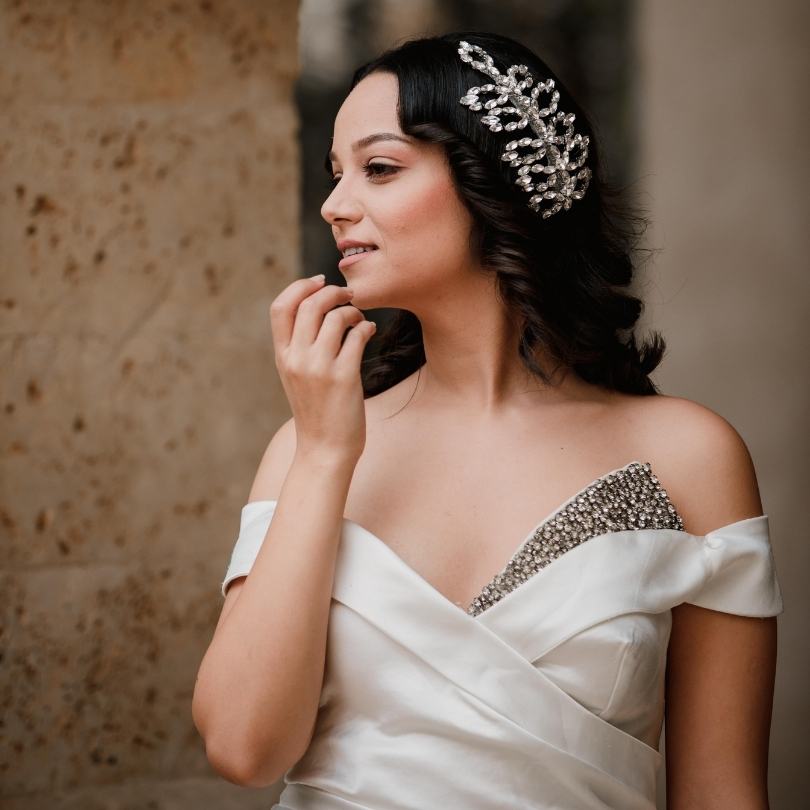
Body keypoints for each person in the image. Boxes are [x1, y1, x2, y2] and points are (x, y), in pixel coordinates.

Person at [191, 32, 784, 809]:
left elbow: (721, 793)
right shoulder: (308, 447)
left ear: (492, 182)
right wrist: (327, 454)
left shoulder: (688, 456)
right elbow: (243, 747)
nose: (335, 206)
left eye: (379, 168)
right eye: (335, 176)